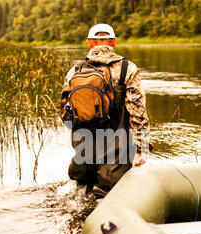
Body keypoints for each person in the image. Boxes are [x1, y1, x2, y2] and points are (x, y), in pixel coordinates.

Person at [60, 24, 150, 195]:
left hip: (84, 150)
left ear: (89, 43)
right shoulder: (127, 69)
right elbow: (137, 111)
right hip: (117, 151)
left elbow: (65, 114)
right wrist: (141, 149)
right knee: (107, 194)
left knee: (80, 195)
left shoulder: (74, 71)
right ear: (114, 42)